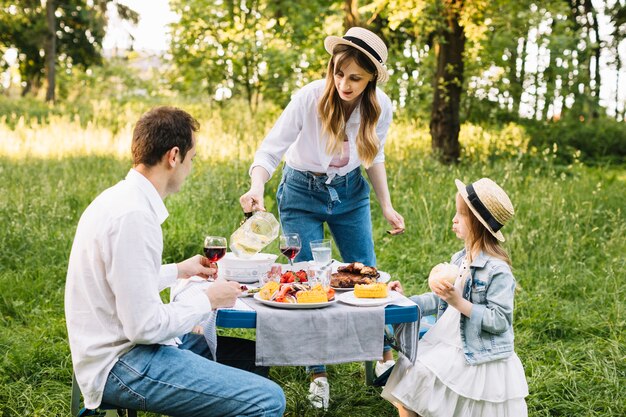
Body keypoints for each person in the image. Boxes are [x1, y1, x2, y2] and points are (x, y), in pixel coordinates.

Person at [65, 106, 286, 417]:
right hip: (121, 363)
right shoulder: (135, 217)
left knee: (254, 357)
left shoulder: (121, 199)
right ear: (173, 156)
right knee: (269, 400)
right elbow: (145, 327)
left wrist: (179, 271)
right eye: (191, 159)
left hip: (119, 343)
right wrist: (207, 299)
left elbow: (124, 282)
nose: (190, 167)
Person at [239, 26, 404, 409]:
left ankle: (381, 361)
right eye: (339, 73)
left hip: (349, 194)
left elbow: (373, 156)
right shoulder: (310, 98)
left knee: (368, 276)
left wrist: (386, 205)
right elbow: (271, 149)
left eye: (355, 78)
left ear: (371, 80)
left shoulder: (380, 107)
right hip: (300, 191)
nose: (344, 84)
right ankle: (318, 373)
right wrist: (257, 186)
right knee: (311, 280)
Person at [382, 178, 529, 417]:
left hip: (476, 350)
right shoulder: (460, 259)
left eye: (461, 214)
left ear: (479, 224)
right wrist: (404, 299)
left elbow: (500, 320)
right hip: (448, 338)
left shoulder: (497, 270)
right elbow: (440, 299)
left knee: (423, 378)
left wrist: (459, 302)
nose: (454, 219)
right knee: (409, 376)